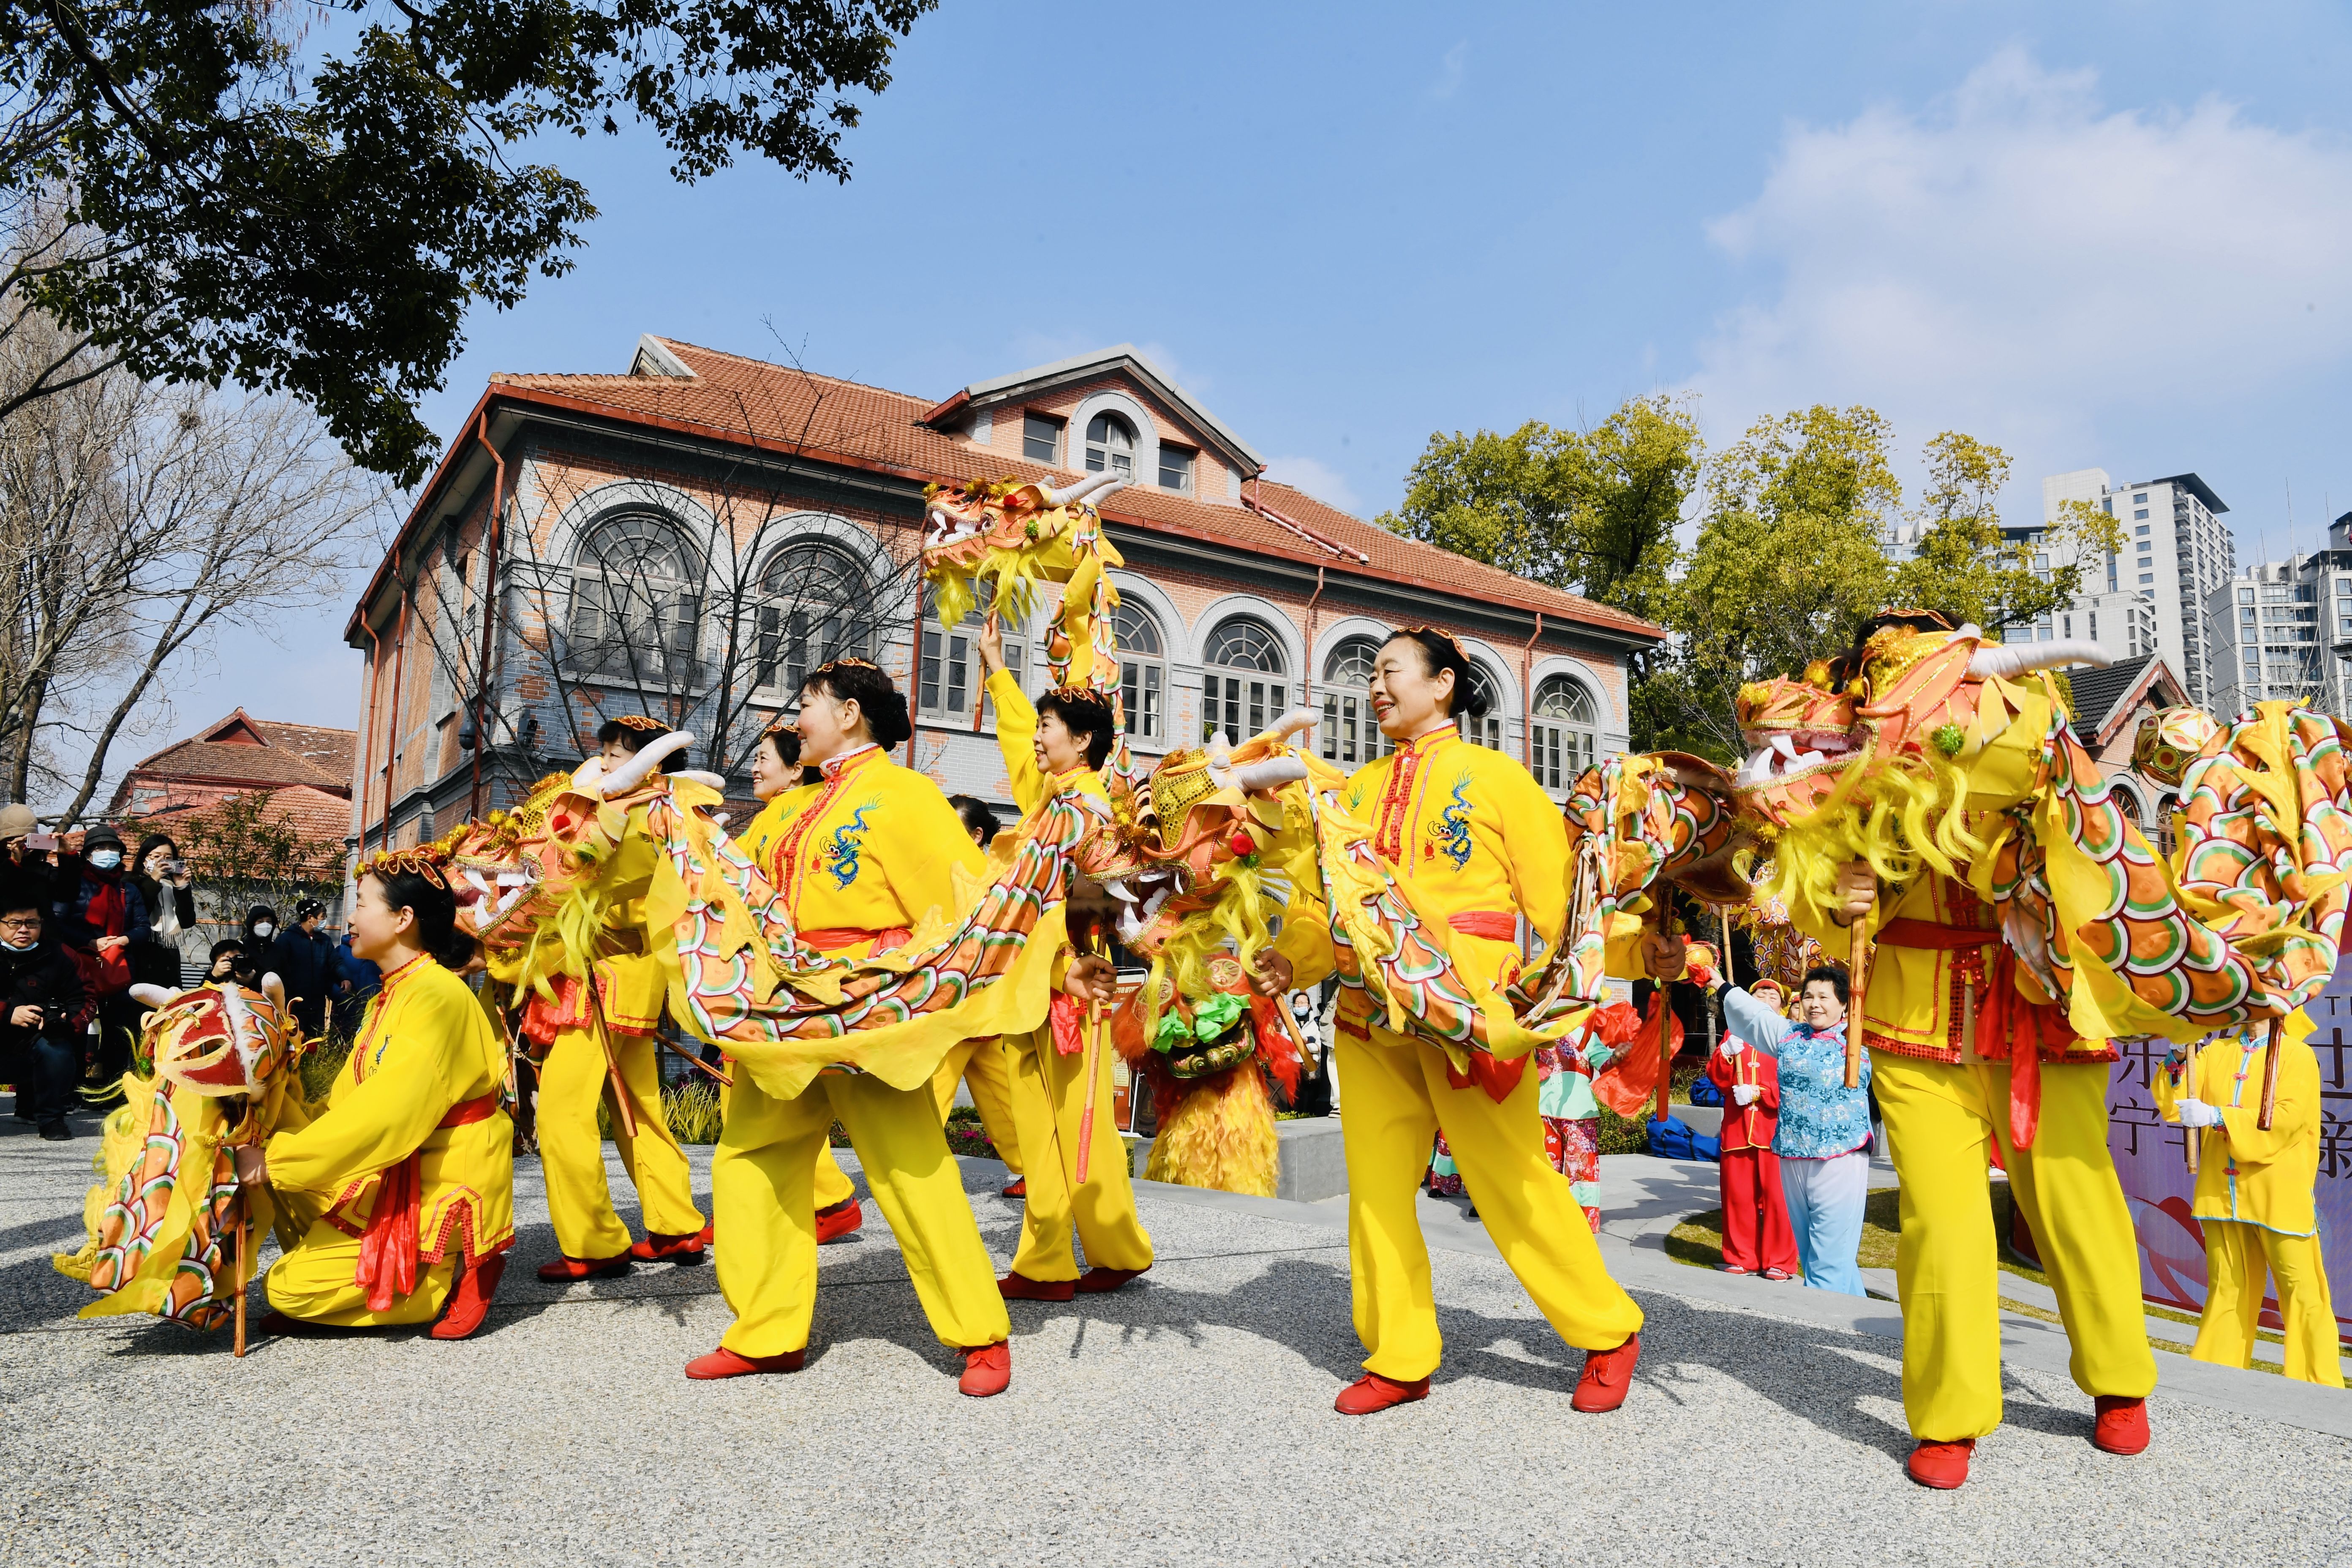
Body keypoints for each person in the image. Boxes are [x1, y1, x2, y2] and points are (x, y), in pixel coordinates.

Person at [1269, 627, 1650, 1417]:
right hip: (1370, 1017)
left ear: (1442, 683)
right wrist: (1290, 960)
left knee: (1511, 1182)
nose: (1375, 686)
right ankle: (1400, 1352)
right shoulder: (1353, 792)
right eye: (1369, 674)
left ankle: (1607, 1329)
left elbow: (1564, 909)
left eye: (1390, 671)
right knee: (1374, 1189)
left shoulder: (1495, 778)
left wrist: (1644, 953)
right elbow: (1324, 906)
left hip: (1470, 1016)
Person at [693, 658, 1015, 1395]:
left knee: (909, 1170)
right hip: (782, 1013)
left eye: (806, 702)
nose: (794, 717)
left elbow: (960, 897)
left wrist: (910, 983)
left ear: (846, 713)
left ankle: (978, 1332)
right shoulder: (782, 809)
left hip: (868, 1011)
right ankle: (766, 1331)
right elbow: (725, 884)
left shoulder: (904, 794)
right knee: (748, 1160)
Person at [1798, 844, 2155, 1489]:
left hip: (2050, 1008)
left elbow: (2114, 856)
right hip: (1917, 1017)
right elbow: (1822, 875)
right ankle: (1948, 1415)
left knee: (2075, 1203)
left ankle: (2119, 1379)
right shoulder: (1871, 768)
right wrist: (1837, 890)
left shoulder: (2050, 761)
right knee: (1940, 1222)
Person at [241, 848, 514, 1339]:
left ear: (403, 917)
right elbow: (348, 1101)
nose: (350, 915)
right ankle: (358, 1282)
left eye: (362, 903)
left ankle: (452, 1269)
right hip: (399, 1162)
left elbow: (387, 1115)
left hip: (439, 1177)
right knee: (275, 1145)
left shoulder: (437, 997)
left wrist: (276, 1160)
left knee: (286, 1288)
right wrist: (271, 1104)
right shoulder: (392, 993)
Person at [977, 620, 1154, 1302]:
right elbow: (1020, 751)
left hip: (1063, 986)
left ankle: (1048, 1261)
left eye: (1048, 724)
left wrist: (1065, 967)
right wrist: (996, 668)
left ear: (1081, 740)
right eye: (1039, 722)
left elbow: (1094, 907)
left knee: (1056, 1125)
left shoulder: (1078, 811)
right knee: (1072, 1126)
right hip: (1044, 980)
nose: (1037, 735)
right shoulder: (1062, 802)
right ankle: (1114, 1249)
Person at [530, 714, 708, 1280]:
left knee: (562, 1111)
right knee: (637, 1106)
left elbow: (566, 871)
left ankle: (595, 1242)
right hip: (633, 973)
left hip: (600, 977)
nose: (605, 763)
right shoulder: (674, 815)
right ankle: (677, 1226)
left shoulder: (626, 814)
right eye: (605, 752)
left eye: (617, 753)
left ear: (650, 764)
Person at [732, 721, 869, 1245]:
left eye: (767, 757)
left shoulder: (804, 819)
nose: (756, 765)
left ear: (796, 769)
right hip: (769, 974)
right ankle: (819, 1198)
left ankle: (827, 1198)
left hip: (803, 978)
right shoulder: (769, 821)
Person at [2158, 1019, 2343, 1387]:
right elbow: (2174, 1105)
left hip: (2278, 1194)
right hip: (2221, 1193)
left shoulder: (2297, 1055)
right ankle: (2214, 1377)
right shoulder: (2214, 1052)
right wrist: (2179, 1054)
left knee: (2301, 1288)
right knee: (2227, 1284)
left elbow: (2289, 1120)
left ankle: (2318, 1384)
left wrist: (2219, 1116)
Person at [1716, 967, 1870, 1292]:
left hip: (1840, 1155)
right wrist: (1718, 983)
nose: (1815, 1004)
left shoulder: (1861, 1040)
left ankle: (1821, 1322)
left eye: (1824, 997)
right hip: (1793, 1153)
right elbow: (1755, 1015)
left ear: (1844, 1004)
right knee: (1814, 1250)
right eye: (1809, 997)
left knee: (1830, 1255)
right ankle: (1857, 1322)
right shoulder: (1789, 1035)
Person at [935, 791, 1026, 1199]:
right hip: (978, 1005)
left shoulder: (981, 875)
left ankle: (916, 1172)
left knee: (928, 1095)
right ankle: (1035, 1168)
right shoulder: (981, 872)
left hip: (958, 1004)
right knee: (1000, 1095)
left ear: (975, 835)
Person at [1707, 978, 1797, 1278]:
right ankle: (1740, 1256)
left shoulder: (1789, 1036)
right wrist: (1726, 1054)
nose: (1765, 998)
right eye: (1759, 993)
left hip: (1775, 1132)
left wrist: (1762, 1093)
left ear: (1782, 1007)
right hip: (1738, 1130)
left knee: (1778, 1200)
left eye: (1773, 995)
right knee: (1738, 1197)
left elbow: (1798, 1084)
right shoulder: (1735, 1034)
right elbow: (1718, 1079)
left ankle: (1781, 1261)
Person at [60, 825, 150, 1085]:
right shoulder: (72, 883)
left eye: (113, 848)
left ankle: (113, 1087)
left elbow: (144, 928)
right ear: (87, 854)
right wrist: (90, 941)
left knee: (120, 1030)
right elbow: (58, 923)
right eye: (100, 848)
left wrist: (123, 939)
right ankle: (73, 1088)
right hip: (79, 966)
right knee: (75, 1027)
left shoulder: (129, 890)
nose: (107, 853)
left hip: (118, 968)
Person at [0, 885, 88, 1138]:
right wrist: (8, 1013)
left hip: (34, 1042)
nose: (24, 930)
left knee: (57, 1049)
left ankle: (51, 1119)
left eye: (32, 923)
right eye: (15, 923)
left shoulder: (61, 955)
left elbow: (83, 996)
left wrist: (67, 1021)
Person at [128, 835, 196, 990]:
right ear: (144, 858)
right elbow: (137, 914)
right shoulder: (131, 882)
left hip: (168, 955)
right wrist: (153, 880)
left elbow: (187, 921)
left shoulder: (171, 886)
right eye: (156, 856)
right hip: (140, 953)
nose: (162, 861)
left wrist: (182, 887)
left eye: (168, 857)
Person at [264, 898, 335, 1039]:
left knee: (315, 1042)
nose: (324, 921)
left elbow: (334, 962)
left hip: (317, 1005)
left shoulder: (325, 941)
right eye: (322, 917)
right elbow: (279, 970)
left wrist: (344, 977)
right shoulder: (287, 940)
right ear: (310, 918)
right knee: (294, 1043)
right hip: (294, 1005)